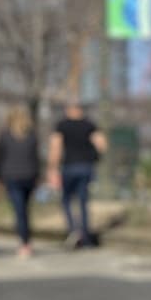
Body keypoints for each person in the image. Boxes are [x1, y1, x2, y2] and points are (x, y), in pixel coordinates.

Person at [47, 102, 107, 248]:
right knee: (83, 201)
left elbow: (56, 147)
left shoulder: (62, 125)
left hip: (69, 166)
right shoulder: (89, 124)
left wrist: (52, 168)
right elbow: (102, 144)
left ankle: (73, 230)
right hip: (86, 166)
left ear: (68, 109)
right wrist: (94, 156)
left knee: (66, 199)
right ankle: (85, 235)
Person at [0, 105, 41, 258]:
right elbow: (36, 158)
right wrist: (38, 176)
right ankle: (26, 240)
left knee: (20, 211)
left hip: (12, 177)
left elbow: (0, 158)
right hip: (29, 176)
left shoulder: (5, 136)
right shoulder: (32, 135)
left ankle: (24, 242)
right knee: (25, 211)